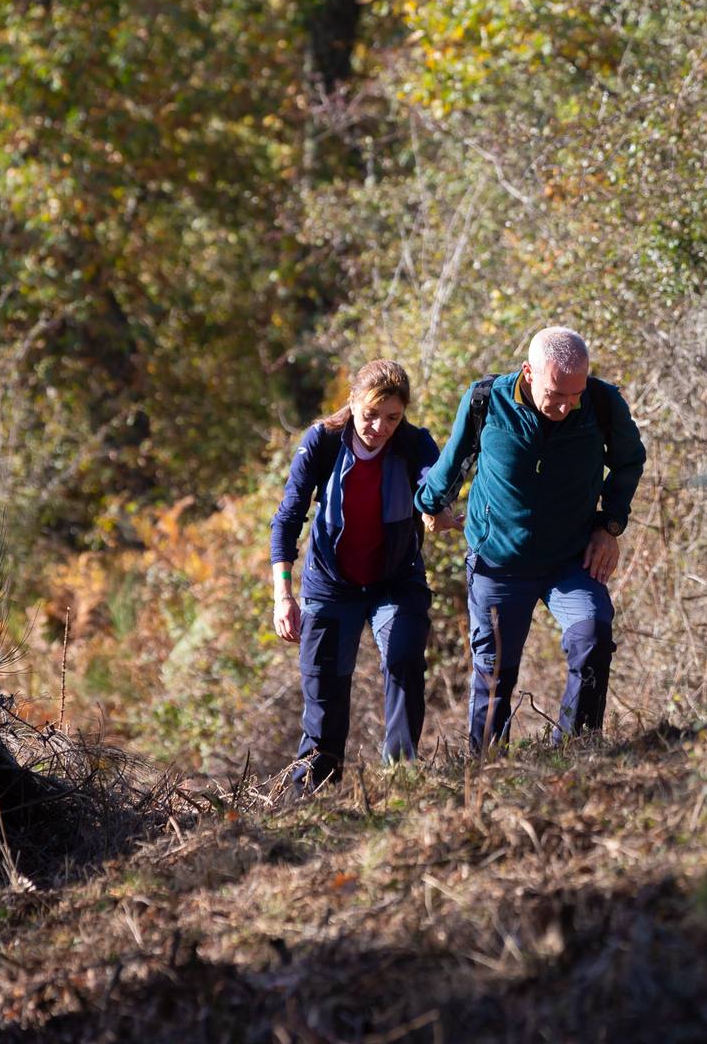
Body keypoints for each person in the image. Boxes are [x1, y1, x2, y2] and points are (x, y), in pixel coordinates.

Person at [416, 326, 646, 747]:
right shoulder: (487, 401)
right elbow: (454, 460)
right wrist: (431, 504)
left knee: (593, 635)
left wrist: (609, 526)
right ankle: (486, 769)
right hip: (498, 562)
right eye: (555, 394)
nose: (565, 406)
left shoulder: (602, 403)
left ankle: (577, 750)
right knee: (494, 674)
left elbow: (630, 462)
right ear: (528, 373)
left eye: (574, 395)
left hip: (570, 560)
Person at [268, 359, 445, 788]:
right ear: (351, 402)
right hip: (331, 584)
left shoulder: (415, 443)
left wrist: (437, 508)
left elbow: (433, 483)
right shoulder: (323, 441)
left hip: (396, 580)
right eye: (371, 414)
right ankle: (312, 798)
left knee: (404, 658)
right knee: (324, 700)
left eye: (392, 417)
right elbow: (288, 517)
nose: (379, 427)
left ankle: (400, 779)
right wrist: (283, 596)